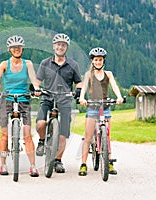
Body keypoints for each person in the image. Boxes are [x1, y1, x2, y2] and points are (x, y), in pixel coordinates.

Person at [0, 35, 40, 177]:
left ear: (22, 49)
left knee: (27, 136)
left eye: (19, 47)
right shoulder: (4, 64)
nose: (16, 49)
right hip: (7, 98)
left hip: (23, 99)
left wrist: (36, 89)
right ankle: (3, 165)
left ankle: (32, 166)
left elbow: (34, 79)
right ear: (9, 49)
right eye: (13, 47)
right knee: (4, 135)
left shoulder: (28, 64)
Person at [35, 33, 83, 173]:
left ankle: (58, 161)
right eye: (58, 44)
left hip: (64, 99)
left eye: (63, 45)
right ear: (53, 46)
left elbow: (79, 82)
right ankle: (42, 141)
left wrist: (78, 91)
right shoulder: (45, 63)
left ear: (66, 47)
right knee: (40, 123)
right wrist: (37, 89)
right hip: (48, 98)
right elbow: (37, 81)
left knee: (63, 134)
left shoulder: (73, 64)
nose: (60, 47)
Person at [78, 47, 123, 176]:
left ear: (103, 61)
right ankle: (83, 164)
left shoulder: (108, 74)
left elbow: (114, 86)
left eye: (100, 60)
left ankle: (109, 161)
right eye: (96, 60)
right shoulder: (89, 75)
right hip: (92, 107)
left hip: (105, 106)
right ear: (92, 61)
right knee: (87, 137)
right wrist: (82, 98)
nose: (98, 62)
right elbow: (84, 87)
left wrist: (119, 97)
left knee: (107, 136)